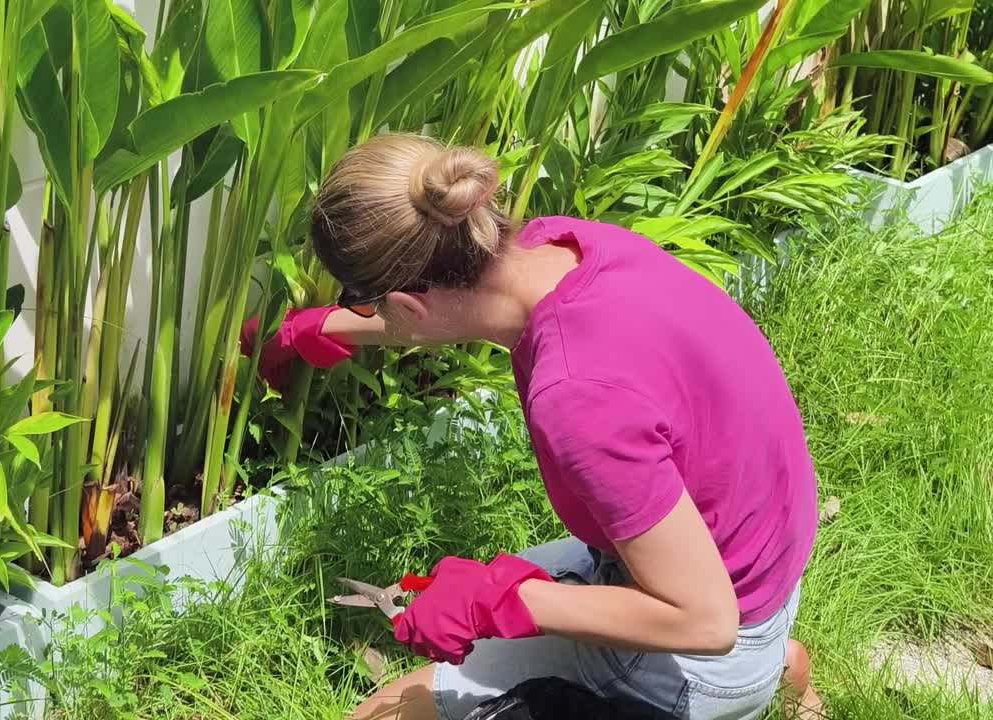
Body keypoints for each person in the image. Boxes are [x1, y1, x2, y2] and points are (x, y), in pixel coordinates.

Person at [242, 134, 825, 720]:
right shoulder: (560, 246)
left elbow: (707, 621)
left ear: (406, 302)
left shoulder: (574, 395)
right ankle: (779, 665)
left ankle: (741, 687)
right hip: (759, 564)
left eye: (367, 304)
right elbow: (434, 304)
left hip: (709, 642)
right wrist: (321, 327)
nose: (368, 316)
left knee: (388, 712)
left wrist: (501, 603)